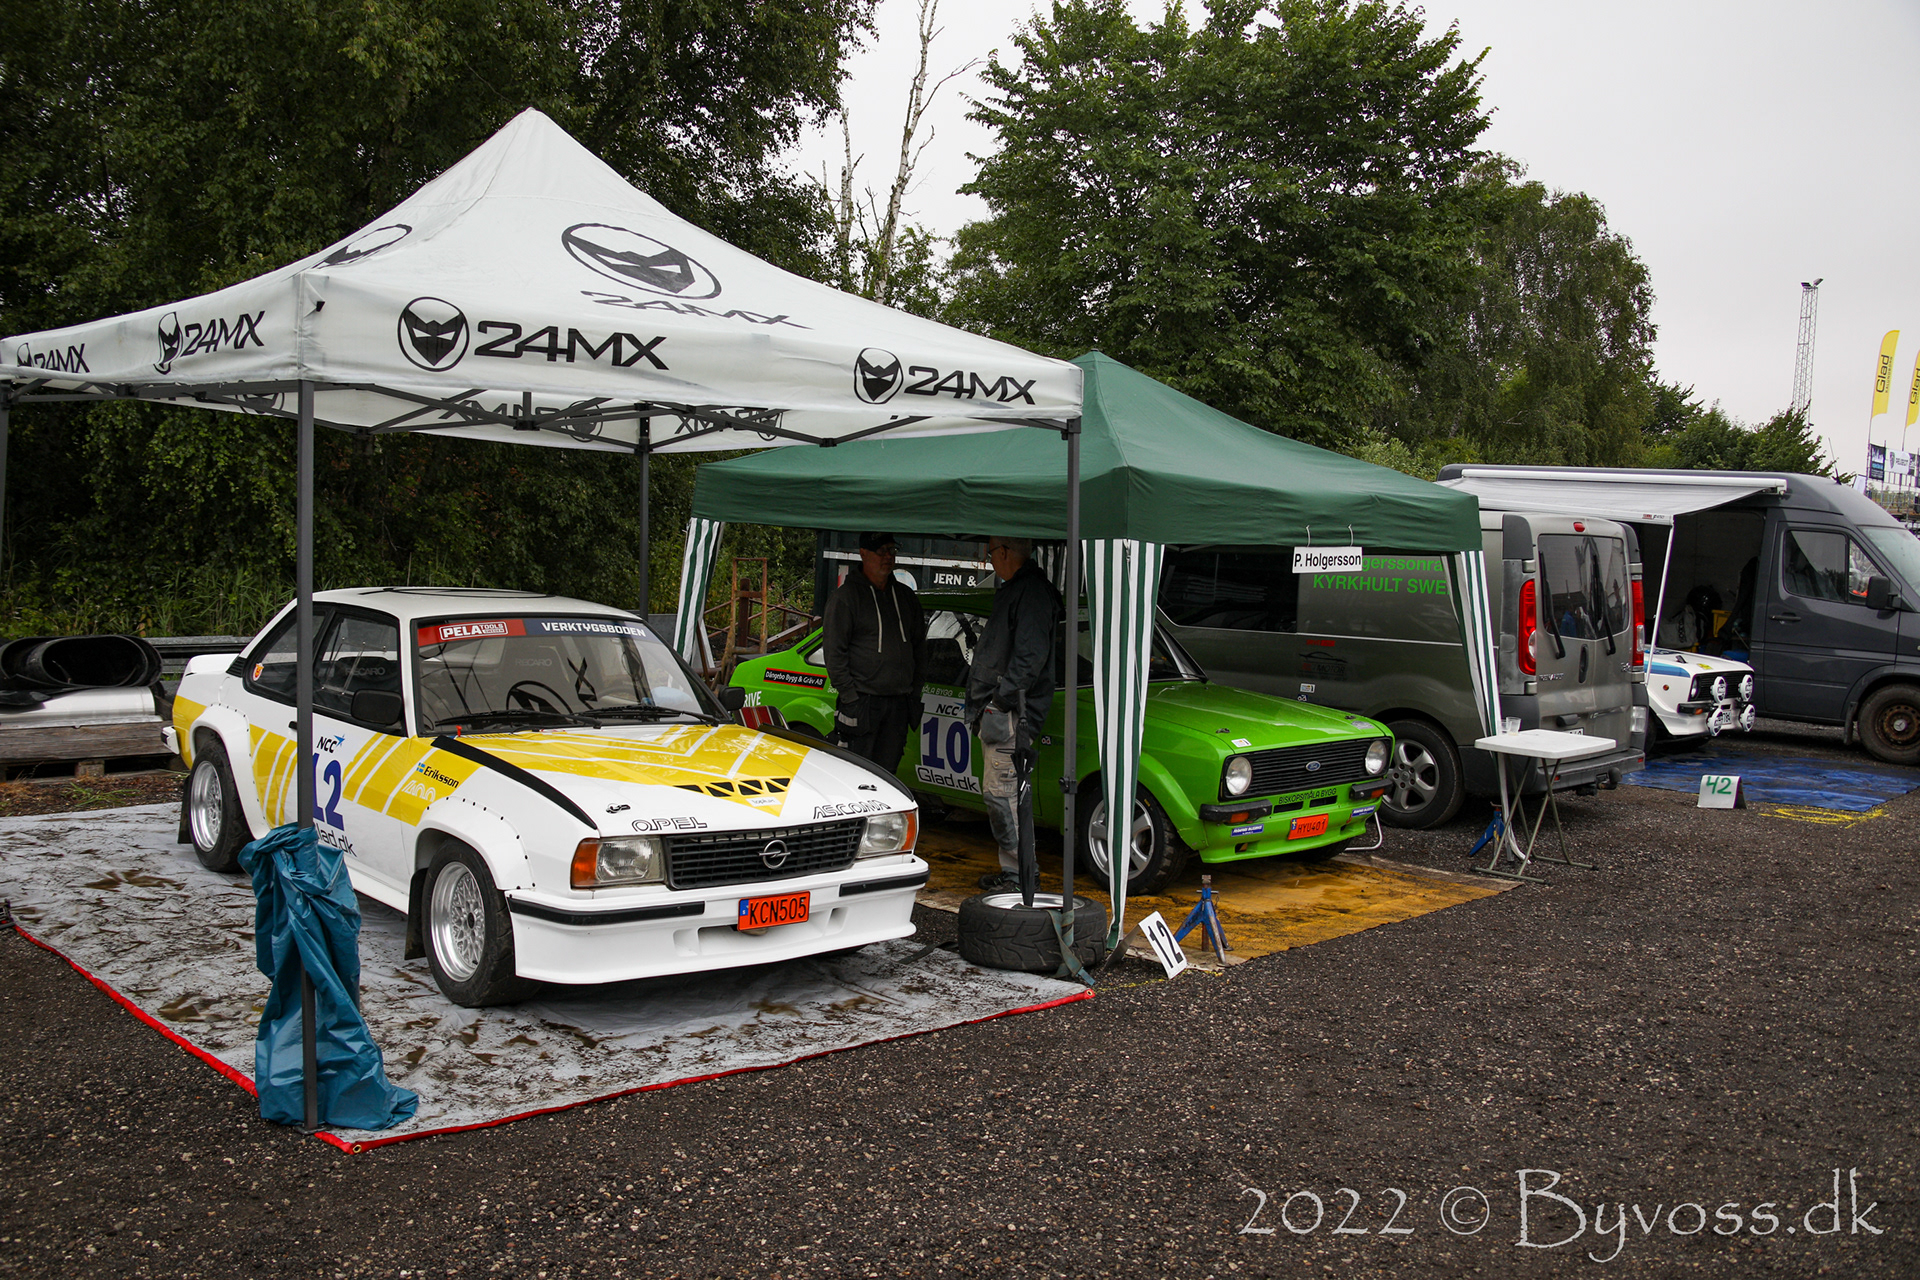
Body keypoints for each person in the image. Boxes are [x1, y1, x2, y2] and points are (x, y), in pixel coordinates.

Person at [964, 536, 1061, 892]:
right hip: (1005, 711)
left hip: (1010, 714)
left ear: (1003, 551)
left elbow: (1029, 658)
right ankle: (1015, 872)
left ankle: (1019, 877)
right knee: (1003, 794)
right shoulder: (1023, 590)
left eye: (990, 553)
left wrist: (1000, 701)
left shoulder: (1029, 592)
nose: (990, 560)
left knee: (1003, 795)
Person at [820, 532, 926, 770]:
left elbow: (920, 647)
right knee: (857, 774)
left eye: (892, 550)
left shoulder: (906, 598)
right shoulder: (845, 599)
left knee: (888, 774)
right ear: (863, 554)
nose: (888, 557)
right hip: (862, 703)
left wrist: (915, 691)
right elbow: (834, 655)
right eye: (881, 551)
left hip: (898, 704)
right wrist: (850, 697)